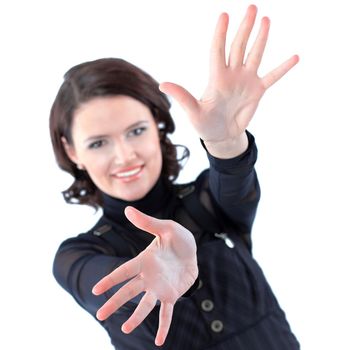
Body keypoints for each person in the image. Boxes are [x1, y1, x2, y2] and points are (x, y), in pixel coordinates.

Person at [50, 4, 300, 349]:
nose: (125, 155)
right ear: (73, 151)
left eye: (135, 131)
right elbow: (102, 284)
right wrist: (153, 274)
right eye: (98, 143)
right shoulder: (78, 255)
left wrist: (224, 140)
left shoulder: (208, 203)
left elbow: (233, 177)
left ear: (157, 125)